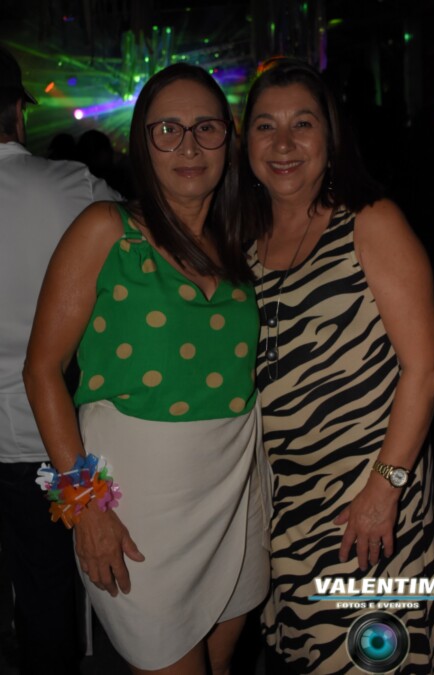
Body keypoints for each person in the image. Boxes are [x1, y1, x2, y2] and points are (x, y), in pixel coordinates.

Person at [23, 63, 271, 675]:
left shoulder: (241, 243)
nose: (189, 146)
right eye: (168, 129)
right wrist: (86, 507)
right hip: (138, 509)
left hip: (236, 491)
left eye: (206, 127)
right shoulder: (106, 230)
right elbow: (42, 370)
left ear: (229, 139)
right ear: (142, 142)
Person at [240, 57, 434, 673]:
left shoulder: (369, 221)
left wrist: (383, 491)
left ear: (330, 137)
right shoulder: (244, 246)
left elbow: (428, 365)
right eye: (265, 126)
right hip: (291, 512)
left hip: (368, 509)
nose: (283, 143)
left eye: (302, 124)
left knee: (371, 659)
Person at [0, 44, 121, 675]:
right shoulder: (75, 187)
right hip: (43, 444)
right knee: (48, 599)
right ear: (18, 113)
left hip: (40, 443)